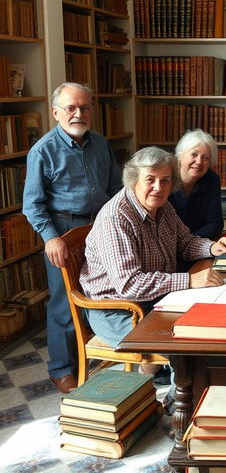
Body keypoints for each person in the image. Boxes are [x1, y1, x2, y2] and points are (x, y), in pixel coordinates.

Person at [80, 147, 226, 361]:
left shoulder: (164, 207)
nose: (158, 187)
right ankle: (176, 391)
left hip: (156, 299)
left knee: (214, 323)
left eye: (165, 180)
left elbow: (185, 242)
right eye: (150, 179)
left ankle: (163, 375)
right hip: (117, 310)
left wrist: (211, 247)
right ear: (134, 180)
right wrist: (189, 280)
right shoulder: (116, 218)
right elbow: (130, 285)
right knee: (186, 345)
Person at [23, 83, 122, 394]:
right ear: (56, 112)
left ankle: (102, 349)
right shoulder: (43, 151)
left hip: (100, 226)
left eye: (85, 107)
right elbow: (33, 204)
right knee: (65, 302)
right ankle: (63, 369)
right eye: (71, 108)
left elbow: (117, 189)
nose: (79, 113)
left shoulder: (101, 144)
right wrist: (51, 239)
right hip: (63, 231)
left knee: (105, 289)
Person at [169, 129, 223, 254]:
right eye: (194, 155)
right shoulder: (165, 179)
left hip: (198, 248)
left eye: (205, 158)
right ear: (180, 155)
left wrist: (189, 243)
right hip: (168, 249)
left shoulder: (211, 180)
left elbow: (215, 224)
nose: (199, 162)